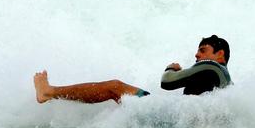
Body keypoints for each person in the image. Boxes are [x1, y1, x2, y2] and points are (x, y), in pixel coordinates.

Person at [34, 35, 231, 104]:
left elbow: (167, 81)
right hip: (179, 125)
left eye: (203, 50)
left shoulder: (212, 68)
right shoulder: (223, 80)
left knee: (115, 86)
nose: (197, 55)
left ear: (220, 55)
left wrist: (171, 67)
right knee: (116, 91)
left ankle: (50, 92)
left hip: (166, 122)